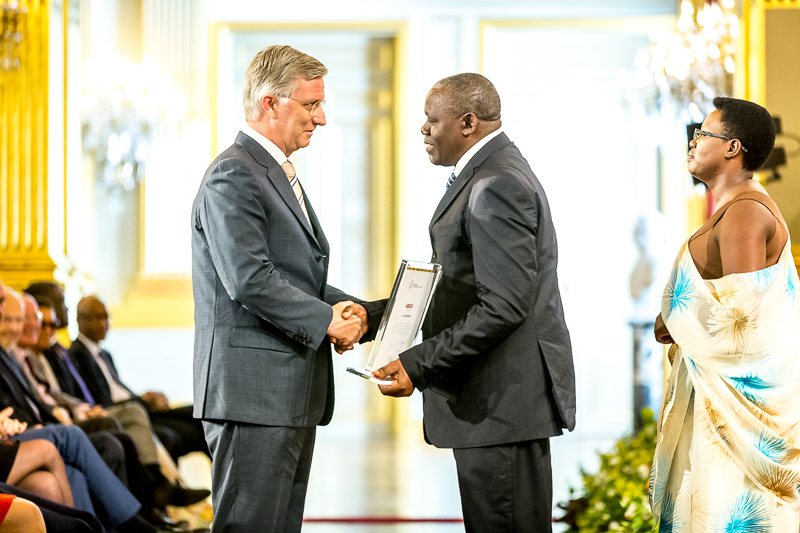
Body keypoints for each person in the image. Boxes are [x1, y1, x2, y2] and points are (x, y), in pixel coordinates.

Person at [372, 73, 576, 532]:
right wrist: (370, 317)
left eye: (431, 120)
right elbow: (456, 286)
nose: (423, 130)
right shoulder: (489, 172)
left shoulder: (496, 182)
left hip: (500, 404)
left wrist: (417, 364)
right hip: (497, 406)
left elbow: (503, 305)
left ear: (467, 122)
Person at [191, 44, 378, 532]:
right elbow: (249, 278)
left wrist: (347, 308)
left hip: (285, 391)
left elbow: (296, 275)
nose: (320, 117)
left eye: (321, 104)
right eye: (310, 104)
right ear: (270, 102)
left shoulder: (272, 171)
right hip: (253, 395)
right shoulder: (233, 174)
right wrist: (326, 320)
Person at [651, 97, 800, 529]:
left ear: (732, 148)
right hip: (715, 400)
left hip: (734, 419)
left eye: (702, 134)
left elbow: (743, 322)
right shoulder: (737, 207)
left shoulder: (744, 213)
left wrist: (674, 320)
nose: (692, 143)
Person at [69, 296, 211, 465]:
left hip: (136, 406)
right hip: (124, 413)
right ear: (80, 320)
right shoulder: (77, 354)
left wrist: (145, 398)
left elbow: (120, 389)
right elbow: (105, 399)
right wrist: (144, 401)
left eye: (106, 317)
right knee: (181, 432)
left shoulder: (105, 355)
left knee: (201, 415)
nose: (103, 324)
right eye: (97, 317)